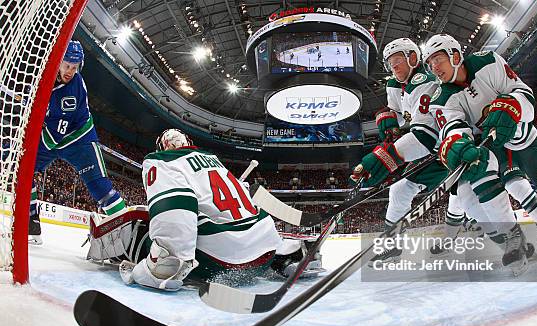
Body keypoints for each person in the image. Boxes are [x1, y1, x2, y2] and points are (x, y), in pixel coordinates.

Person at [352, 37, 531, 274]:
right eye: (389, 63)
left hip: (443, 148)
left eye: (397, 61)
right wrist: (387, 115)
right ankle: (515, 245)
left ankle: (513, 242)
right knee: (464, 200)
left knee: (467, 198)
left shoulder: (424, 83)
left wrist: (388, 156)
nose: (393, 67)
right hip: (440, 146)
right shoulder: (397, 87)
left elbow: (425, 134)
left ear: (412, 58)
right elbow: (402, 114)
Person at [87, 129, 321, 291]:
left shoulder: (160, 160)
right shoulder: (214, 160)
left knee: (142, 230)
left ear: (162, 146)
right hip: (266, 249)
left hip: (223, 262)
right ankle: (287, 256)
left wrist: (165, 264)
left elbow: (177, 208)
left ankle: (155, 262)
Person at [421, 34, 537, 244]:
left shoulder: (488, 62)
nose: (434, 67)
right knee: (514, 186)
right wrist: (457, 142)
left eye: (437, 59)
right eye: (429, 63)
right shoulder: (441, 98)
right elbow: (454, 128)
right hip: (495, 146)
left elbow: (524, 94)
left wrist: (513, 105)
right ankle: (535, 228)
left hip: (524, 136)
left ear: (455, 56)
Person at [28, 41, 126, 245]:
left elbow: (53, 137)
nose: (70, 71)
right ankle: (31, 224)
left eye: (74, 67)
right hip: (53, 136)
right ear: (57, 62)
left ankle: (127, 233)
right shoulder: (44, 74)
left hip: (79, 141)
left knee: (100, 187)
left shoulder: (72, 91)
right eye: (67, 65)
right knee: (23, 171)